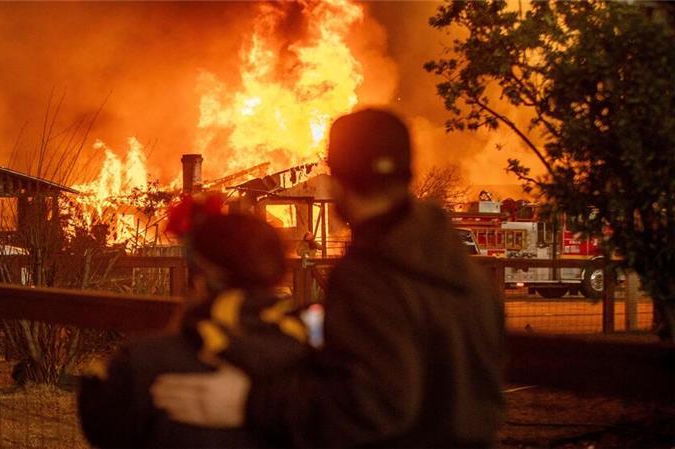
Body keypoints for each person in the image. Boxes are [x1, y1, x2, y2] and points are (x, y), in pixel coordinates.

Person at [151, 109, 505, 448]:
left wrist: (248, 401)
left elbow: (370, 404)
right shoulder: (457, 266)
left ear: (337, 180)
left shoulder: (373, 274)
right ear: (407, 173)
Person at [78, 205, 310, 448]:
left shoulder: (144, 363)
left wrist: (177, 327)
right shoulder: (316, 364)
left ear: (199, 281)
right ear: (276, 275)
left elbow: (99, 422)